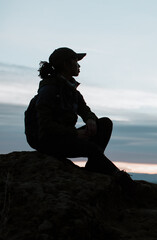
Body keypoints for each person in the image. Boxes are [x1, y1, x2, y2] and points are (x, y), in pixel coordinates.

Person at [26, 47, 133, 185]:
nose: (79, 65)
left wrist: (90, 119)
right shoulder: (49, 90)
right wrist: (74, 134)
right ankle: (121, 179)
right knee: (91, 149)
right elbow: (45, 126)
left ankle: (95, 165)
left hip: (64, 136)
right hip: (46, 141)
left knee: (105, 123)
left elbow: (85, 110)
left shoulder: (73, 92)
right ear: (65, 64)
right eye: (76, 61)